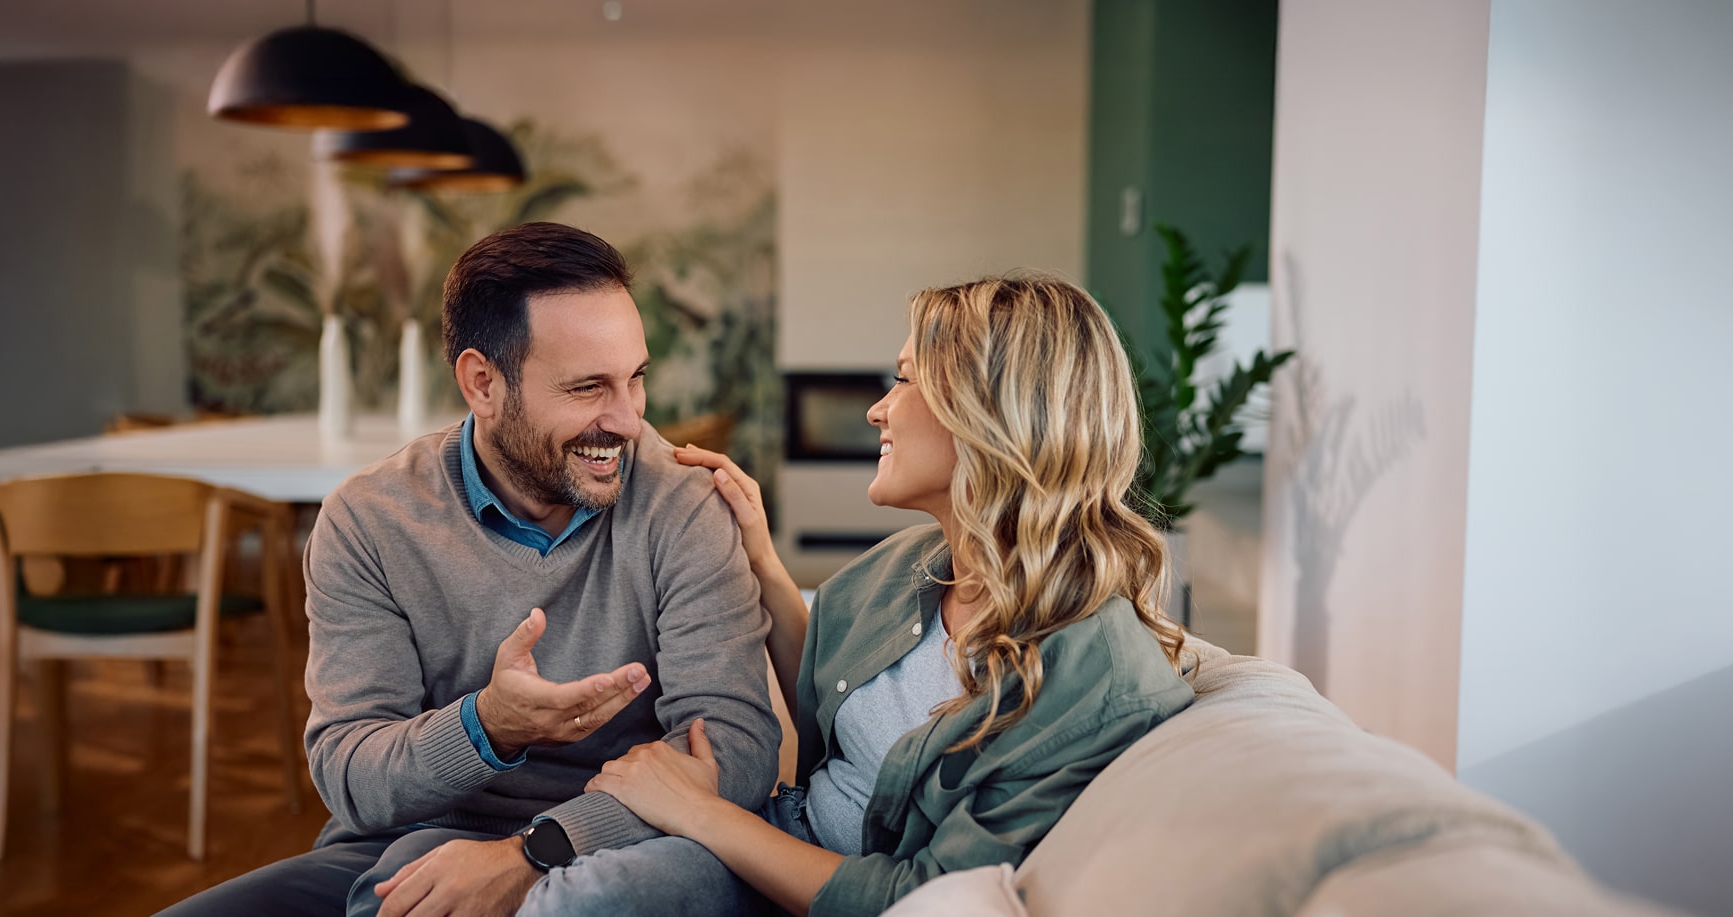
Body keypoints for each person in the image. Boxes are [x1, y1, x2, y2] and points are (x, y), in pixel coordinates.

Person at [519, 275, 1195, 917]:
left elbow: (919, 893)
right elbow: (829, 706)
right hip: (778, 832)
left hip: (807, 880)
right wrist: (761, 560)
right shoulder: (914, 567)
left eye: (903, 380)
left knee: (581, 899)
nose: (877, 408)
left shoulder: (1094, 673)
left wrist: (699, 812)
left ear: (988, 415)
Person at [159, 222, 782, 917]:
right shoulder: (369, 518)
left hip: (620, 846)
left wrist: (536, 850)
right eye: (587, 388)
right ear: (482, 382)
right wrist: (489, 726)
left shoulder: (685, 504)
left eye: (634, 379)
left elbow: (735, 754)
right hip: (406, 844)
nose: (629, 420)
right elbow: (352, 776)